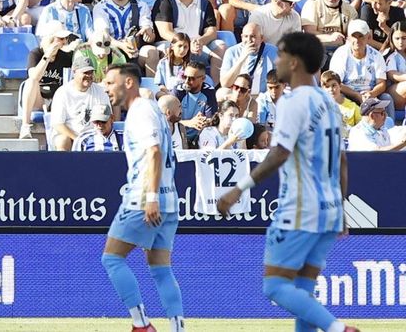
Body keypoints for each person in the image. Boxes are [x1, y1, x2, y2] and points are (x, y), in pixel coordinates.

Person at [215, 32, 355, 332]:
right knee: (302, 291)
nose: (275, 61)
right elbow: (341, 160)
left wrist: (237, 189)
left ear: (293, 62)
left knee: (275, 286)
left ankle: (337, 329)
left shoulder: (294, 102)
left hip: (301, 209)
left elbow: (279, 153)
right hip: (329, 209)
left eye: (279, 55)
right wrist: (341, 209)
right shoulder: (328, 102)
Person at [101, 61, 186, 332]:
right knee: (160, 268)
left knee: (112, 258)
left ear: (129, 82)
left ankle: (141, 325)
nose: (106, 89)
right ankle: (177, 327)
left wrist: (150, 197)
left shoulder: (141, 111)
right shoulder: (152, 110)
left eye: (110, 82)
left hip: (144, 198)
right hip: (169, 199)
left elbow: (154, 152)